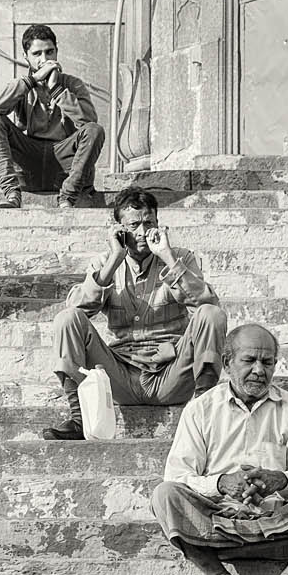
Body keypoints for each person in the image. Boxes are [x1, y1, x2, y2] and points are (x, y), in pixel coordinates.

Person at [150, 323, 288, 575]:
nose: (259, 370)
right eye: (249, 360)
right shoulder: (200, 409)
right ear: (227, 363)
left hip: (280, 524)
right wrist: (221, 483)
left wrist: (280, 479)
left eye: (267, 362)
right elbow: (178, 475)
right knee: (165, 494)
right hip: (219, 525)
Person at [41, 186, 225, 440]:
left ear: (158, 224)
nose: (141, 232)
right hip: (120, 376)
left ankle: (205, 412)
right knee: (67, 318)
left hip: (171, 373)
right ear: (118, 228)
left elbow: (207, 304)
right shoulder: (105, 262)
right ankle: (78, 418)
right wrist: (114, 260)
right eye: (133, 225)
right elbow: (77, 310)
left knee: (211, 315)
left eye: (148, 223)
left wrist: (168, 258)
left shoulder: (180, 258)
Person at [0, 25, 104, 209]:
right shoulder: (22, 85)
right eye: (37, 54)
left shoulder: (72, 84)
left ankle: (68, 198)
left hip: (64, 165)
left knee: (95, 130)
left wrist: (57, 90)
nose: (44, 59)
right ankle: (12, 194)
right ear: (26, 57)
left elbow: (88, 123)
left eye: (50, 52)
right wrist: (32, 80)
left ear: (57, 52)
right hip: (31, 159)